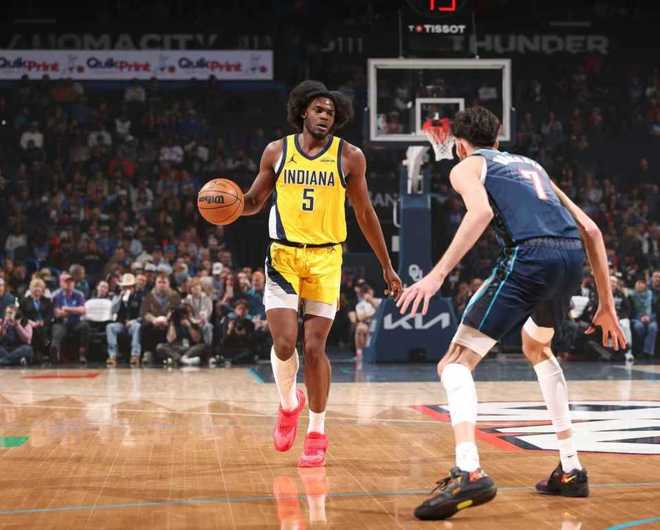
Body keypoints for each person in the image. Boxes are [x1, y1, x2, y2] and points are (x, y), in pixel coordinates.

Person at [397, 106, 626, 520]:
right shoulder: (532, 165)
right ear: (498, 139)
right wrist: (605, 305)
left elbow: (481, 213)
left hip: (530, 257)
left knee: (454, 363)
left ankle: (469, 471)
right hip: (569, 258)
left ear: (460, 144)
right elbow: (591, 229)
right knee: (537, 347)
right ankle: (571, 468)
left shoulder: (466, 166)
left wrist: (436, 275)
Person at [240, 80, 401, 467]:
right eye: (318, 109)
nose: (325, 116)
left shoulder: (350, 157)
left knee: (314, 348)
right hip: (284, 255)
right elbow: (253, 201)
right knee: (284, 344)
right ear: (302, 112)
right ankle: (287, 404)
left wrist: (386, 264)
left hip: (326, 258)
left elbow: (365, 213)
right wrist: (229, 207)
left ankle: (317, 432)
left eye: (331, 112)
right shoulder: (277, 151)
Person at [139, 273, 181, 363]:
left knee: (177, 325)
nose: (162, 284)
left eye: (164, 282)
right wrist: (153, 319)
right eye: (159, 282)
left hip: (169, 323)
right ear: (155, 283)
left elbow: (175, 310)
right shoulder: (149, 295)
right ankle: (148, 352)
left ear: (168, 284)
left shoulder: (175, 296)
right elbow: (144, 312)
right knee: (144, 326)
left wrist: (167, 320)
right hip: (154, 322)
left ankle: (171, 353)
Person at [51, 272, 89, 364]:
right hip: (61, 323)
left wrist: (67, 309)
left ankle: (82, 354)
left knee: (85, 326)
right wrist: (75, 310)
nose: (69, 284)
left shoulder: (79, 294)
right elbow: (57, 313)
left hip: (75, 322)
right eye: (66, 282)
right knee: (57, 331)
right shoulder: (56, 295)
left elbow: (83, 310)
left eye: (71, 282)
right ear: (60, 283)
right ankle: (55, 354)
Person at [106, 273, 143, 367]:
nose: (127, 289)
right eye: (125, 287)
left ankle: (135, 355)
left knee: (137, 326)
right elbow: (113, 310)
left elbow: (143, 315)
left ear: (134, 287)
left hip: (133, 323)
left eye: (129, 287)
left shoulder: (139, 297)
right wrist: (119, 298)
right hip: (121, 324)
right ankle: (112, 355)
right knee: (110, 327)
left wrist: (134, 321)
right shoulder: (117, 296)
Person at [19, 278, 53, 362]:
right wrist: (30, 322)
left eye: (39, 287)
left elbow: (50, 315)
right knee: (35, 329)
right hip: (29, 324)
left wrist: (43, 322)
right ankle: (43, 348)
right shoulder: (24, 301)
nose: (37, 289)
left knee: (42, 329)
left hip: (44, 324)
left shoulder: (47, 301)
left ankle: (39, 353)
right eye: (35, 287)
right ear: (30, 288)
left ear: (43, 289)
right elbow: (21, 315)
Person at [630, 278, 657, 357]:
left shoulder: (651, 294)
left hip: (650, 318)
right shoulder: (631, 295)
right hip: (636, 318)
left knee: (653, 327)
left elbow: (654, 308)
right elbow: (630, 310)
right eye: (637, 283)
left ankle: (647, 352)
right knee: (639, 327)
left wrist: (649, 317)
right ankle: (639, 350)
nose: (639, 285)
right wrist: (640, 317)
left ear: (645, 285)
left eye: (641, 283)